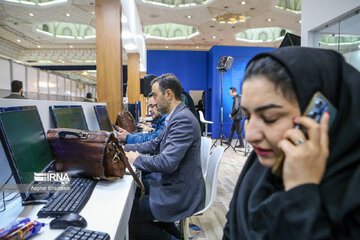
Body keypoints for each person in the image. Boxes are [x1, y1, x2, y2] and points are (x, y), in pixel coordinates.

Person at [223, 47, 360, 239]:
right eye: (247, 116)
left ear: (319, 114)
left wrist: (300, 193)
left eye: (270, 117)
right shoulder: (261, 161)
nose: (251, 135)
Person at [125, 73, 205, 239]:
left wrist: (136, 159)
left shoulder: (182, 119)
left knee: (129, 217)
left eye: (154, 94)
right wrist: (124, 148)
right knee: (133, 201)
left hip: (180, 193)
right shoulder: (176, 116)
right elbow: (154, 144)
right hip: (175, 183)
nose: (152, 100)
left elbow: (167, 163)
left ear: (168, 94)